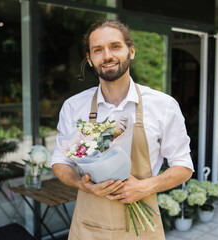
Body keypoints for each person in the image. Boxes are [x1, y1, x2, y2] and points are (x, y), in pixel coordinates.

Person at [51, 19, 194, 239]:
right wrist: (81, 183)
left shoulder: (163, 106)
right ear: (89, 59)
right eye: (97, 50)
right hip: (89, 228)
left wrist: (146, 187)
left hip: (141, 229)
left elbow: (184, 166)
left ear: (131, 51)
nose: (107, 56)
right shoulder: (73, 106)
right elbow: (60, 161)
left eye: (115, 46)